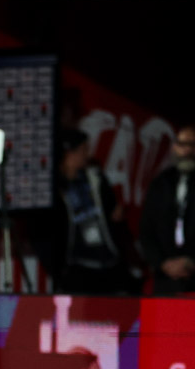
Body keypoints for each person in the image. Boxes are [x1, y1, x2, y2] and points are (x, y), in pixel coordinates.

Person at [52, 128, 138, 295]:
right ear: (69, 152)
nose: (87, 154)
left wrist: (116, 215)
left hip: (109, 261)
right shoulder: (55, 187)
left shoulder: (95, 178)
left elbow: (113, 210)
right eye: (83, 149)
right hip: (77, 267)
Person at [139, 125, 195, 295]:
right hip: (165, 275)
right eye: (182, 144)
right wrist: (162, 263)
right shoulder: (161, 183)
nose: (187, 150)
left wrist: (191, 261)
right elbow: (146, 229)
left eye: (192, 145)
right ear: (174, 147)